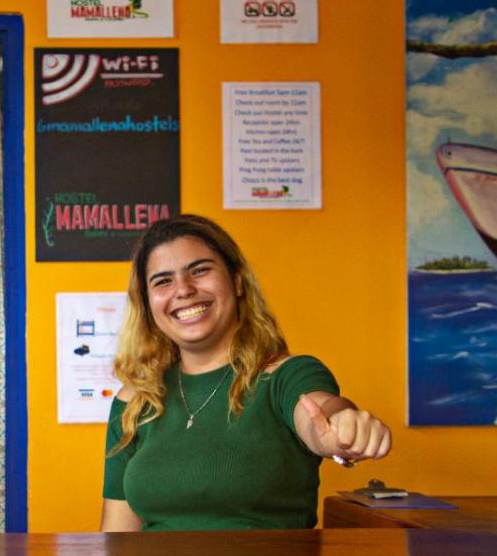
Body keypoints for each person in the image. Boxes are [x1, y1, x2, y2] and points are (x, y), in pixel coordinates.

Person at [100, 215, 391, 532]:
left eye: (199, 270)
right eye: (163, 281)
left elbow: (320, 412)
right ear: (147, 303)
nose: (183, 289)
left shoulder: (285, 376)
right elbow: (117, 539)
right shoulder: (135, 401)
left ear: (237, 281)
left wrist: (341, 427)